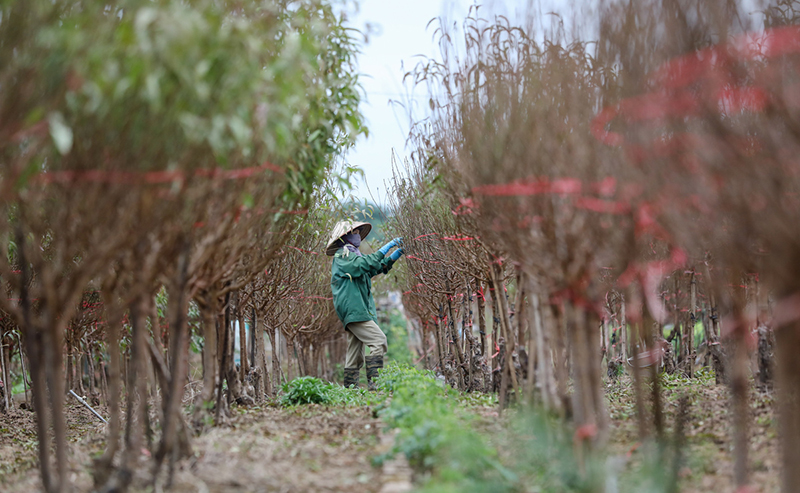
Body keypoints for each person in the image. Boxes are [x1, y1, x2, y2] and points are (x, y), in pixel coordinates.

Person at [326, 220, 404, 389]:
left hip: (357, 309)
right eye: (354, 232)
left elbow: (371, 268)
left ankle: (350, 389)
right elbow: (364, 265)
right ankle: (375, 385)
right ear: (345, 237)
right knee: (378, 341)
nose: (357, 235)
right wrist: (386, 247)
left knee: (355, 351)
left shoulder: (354, 255)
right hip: (354, 309)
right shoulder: (343, 256)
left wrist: (394, 256)